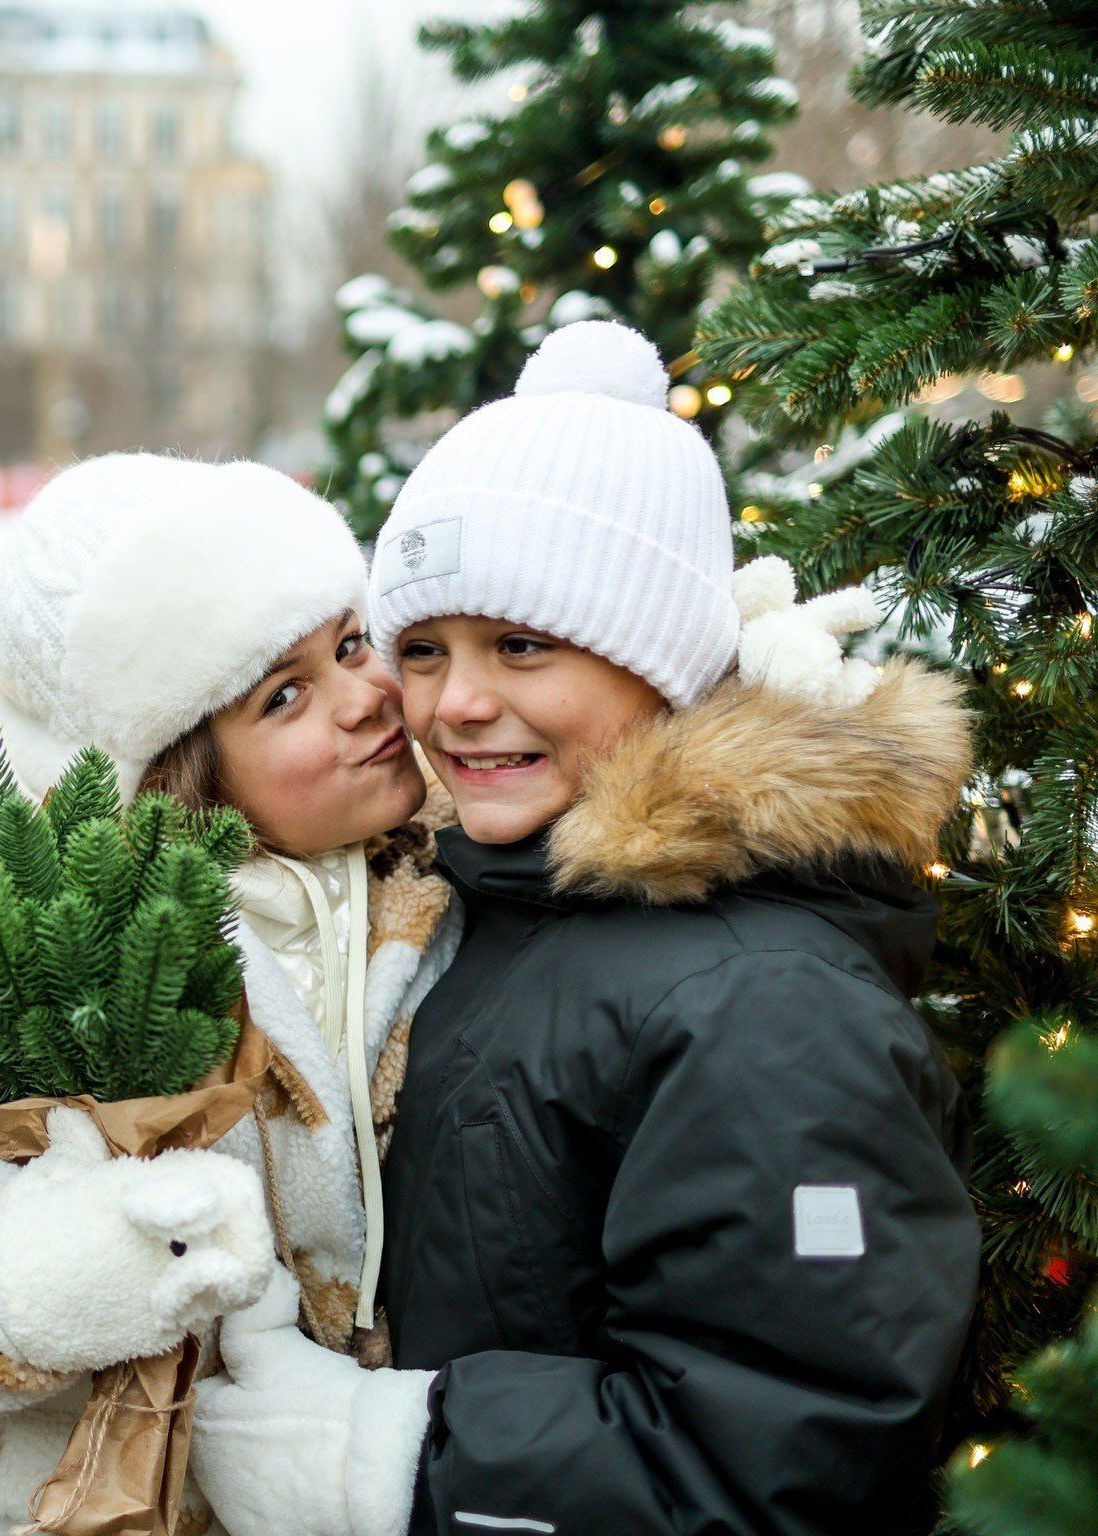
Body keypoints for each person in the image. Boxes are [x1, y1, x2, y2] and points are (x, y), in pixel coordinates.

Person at [189, 321, 981, 1536]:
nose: (456, 703)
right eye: (422, 649)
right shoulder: (476, 903)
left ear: (657, 663)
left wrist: (378, 1460)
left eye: (523, 645)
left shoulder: (764, 1000)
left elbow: (785, 1456)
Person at [0, 453, 463, 1536]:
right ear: (176, 772)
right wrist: (37, 1278)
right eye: (285, 694)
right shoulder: (56, 945)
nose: (366, 697)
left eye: (350, 643)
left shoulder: (448, 862)